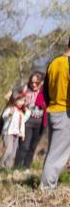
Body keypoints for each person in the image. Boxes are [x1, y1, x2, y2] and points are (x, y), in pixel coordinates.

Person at [40, 37, 70, 190]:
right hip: (65, 112)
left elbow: (44, 91)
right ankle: (47, 189)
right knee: (57, 155)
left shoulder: (54, 63)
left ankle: (47, 186)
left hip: (53, 110)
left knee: (54, 152)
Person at [14, 72, 47, 169]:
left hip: (40, 124)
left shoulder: (45, 91)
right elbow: (12, 95)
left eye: (36, 82)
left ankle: (26, 167)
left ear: (41, 82)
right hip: (27, 122)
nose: (33, 84)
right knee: (24, 146)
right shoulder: (25, 89)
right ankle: (17, 168)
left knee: (32, 147)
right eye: (32, 82)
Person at [0, 92, 30, 174]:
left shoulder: (21, 112)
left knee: (13, 153)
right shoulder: (10, 108)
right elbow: (4, 116)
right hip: (8, 133)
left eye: (23, 101)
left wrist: (26, 110)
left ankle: (7, 169)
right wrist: (10, 113)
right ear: (15, 101)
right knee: (8, 151)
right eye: (20, 101)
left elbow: (24, 119)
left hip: (16, 134)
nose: (22, 103)